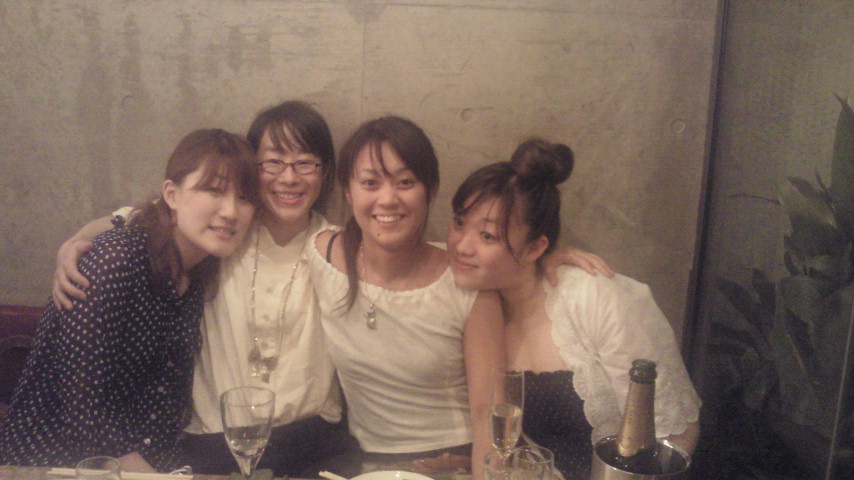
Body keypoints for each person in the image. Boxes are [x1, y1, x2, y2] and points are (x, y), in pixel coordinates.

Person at [47, 101, 360, 477]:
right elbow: (150, 216)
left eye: (306, 163)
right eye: (273, 162)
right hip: (213, 445)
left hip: (312, 446)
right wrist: (78, 243)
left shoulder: (337, 248)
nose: (289, 178)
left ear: (324, 172)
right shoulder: (225, 233)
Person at [0, 129, 258, 472]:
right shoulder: (117, 260)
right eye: (214, 190)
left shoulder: (198, 274)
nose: (231, 211)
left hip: (151, 464)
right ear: (172, 194)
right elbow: (83, 410)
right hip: (51, 463)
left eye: (244, 197)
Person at [446, 138, 701, 480]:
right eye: (459, 223)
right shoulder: (480, 306)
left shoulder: (592, 297)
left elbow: (674, 432)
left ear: (535, 248)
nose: (461, 246)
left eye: (488, 236)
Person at [308, 116, 503, 480]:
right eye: (370, 182)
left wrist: (550, 257)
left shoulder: (466, 285)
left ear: (430, 190)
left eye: (405, 182)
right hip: (365, 464)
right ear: (348, 191)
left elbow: (489, 417)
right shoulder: (323, 255)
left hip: (453, 462)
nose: (387, 199)